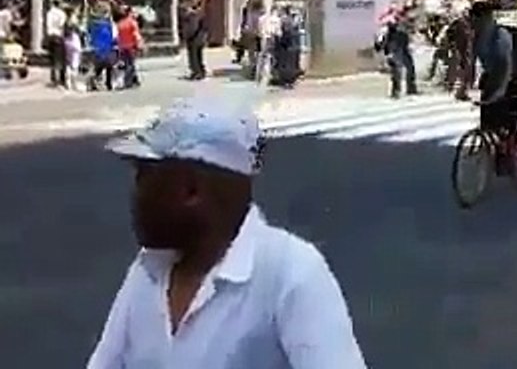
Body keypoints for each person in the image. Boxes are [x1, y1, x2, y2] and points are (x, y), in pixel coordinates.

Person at [88, 97, 366, 368]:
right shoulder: (148, 271)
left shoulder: (290, 273)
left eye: (144, 177)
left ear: (191, 191)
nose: (135, 195)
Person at [470, 1, 517, 173]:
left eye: (477, 18)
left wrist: (500, 90)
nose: (474, 22)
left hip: (512, 76)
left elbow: (505, 65)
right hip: (491, 74)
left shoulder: (501, 35)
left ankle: (509, 151)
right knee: (487, 116)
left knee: (504, 117)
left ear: (487, 18)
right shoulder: (478, 35)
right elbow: (472, 62)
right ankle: (490, 139)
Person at [87, 3, 119, 91]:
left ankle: (94, 81)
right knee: (109, 65)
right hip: (108, 46)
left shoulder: (92, 24)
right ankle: (108, 83)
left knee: (99, 66)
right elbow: (114, 35)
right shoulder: (109, 23)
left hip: (96, 47)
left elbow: (89, 34)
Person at [115, 5, 143, 89]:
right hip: (131, 46)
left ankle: (134, 80)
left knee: (127, 63)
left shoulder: (120, 23)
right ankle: (129, 81)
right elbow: (135, 34)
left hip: (122, 46)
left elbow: (118, 36)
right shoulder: (132, 22)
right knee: (131, 64)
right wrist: (139, 43)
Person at [180, 0, 208, 80]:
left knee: (194, 57)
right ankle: (201, 71)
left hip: (194, 39)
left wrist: (188, 36)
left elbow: (192, 28)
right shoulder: (200, 15)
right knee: (199, 56)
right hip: (200, 39)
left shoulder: (193, 16)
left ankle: (197, 72)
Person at [45, 0, 68, 88]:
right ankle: (62, 79)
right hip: (59, 36)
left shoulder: (49, 13)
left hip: (51, 36)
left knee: (53, 59)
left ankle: (54, 79)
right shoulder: (61, 13)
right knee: (62, 59)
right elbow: (62, 25)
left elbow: (48, 25)